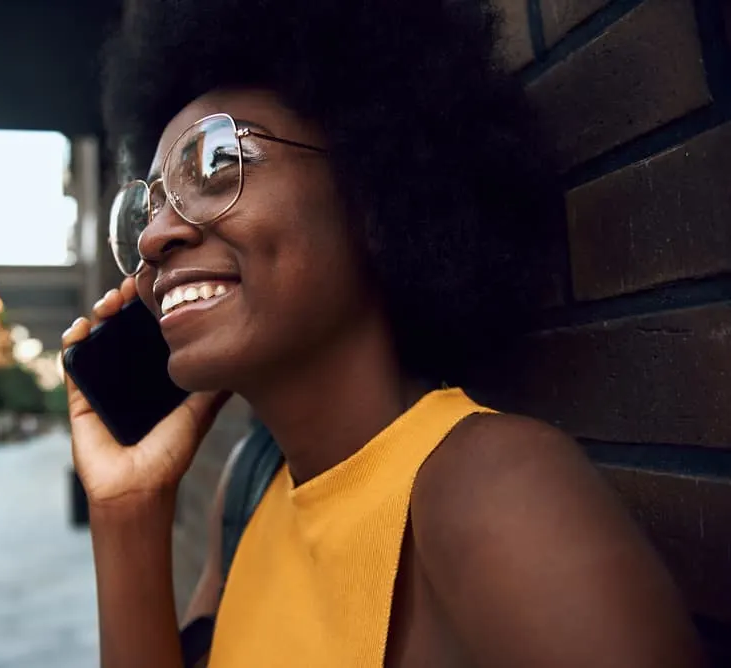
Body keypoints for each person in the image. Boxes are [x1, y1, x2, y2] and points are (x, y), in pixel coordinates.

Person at [61, 1, 704, 666]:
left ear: (373, 191)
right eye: (150, 203)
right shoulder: (249, 487)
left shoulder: (491, 490)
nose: (154, 235)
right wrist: (128, 510)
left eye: (218, 163)